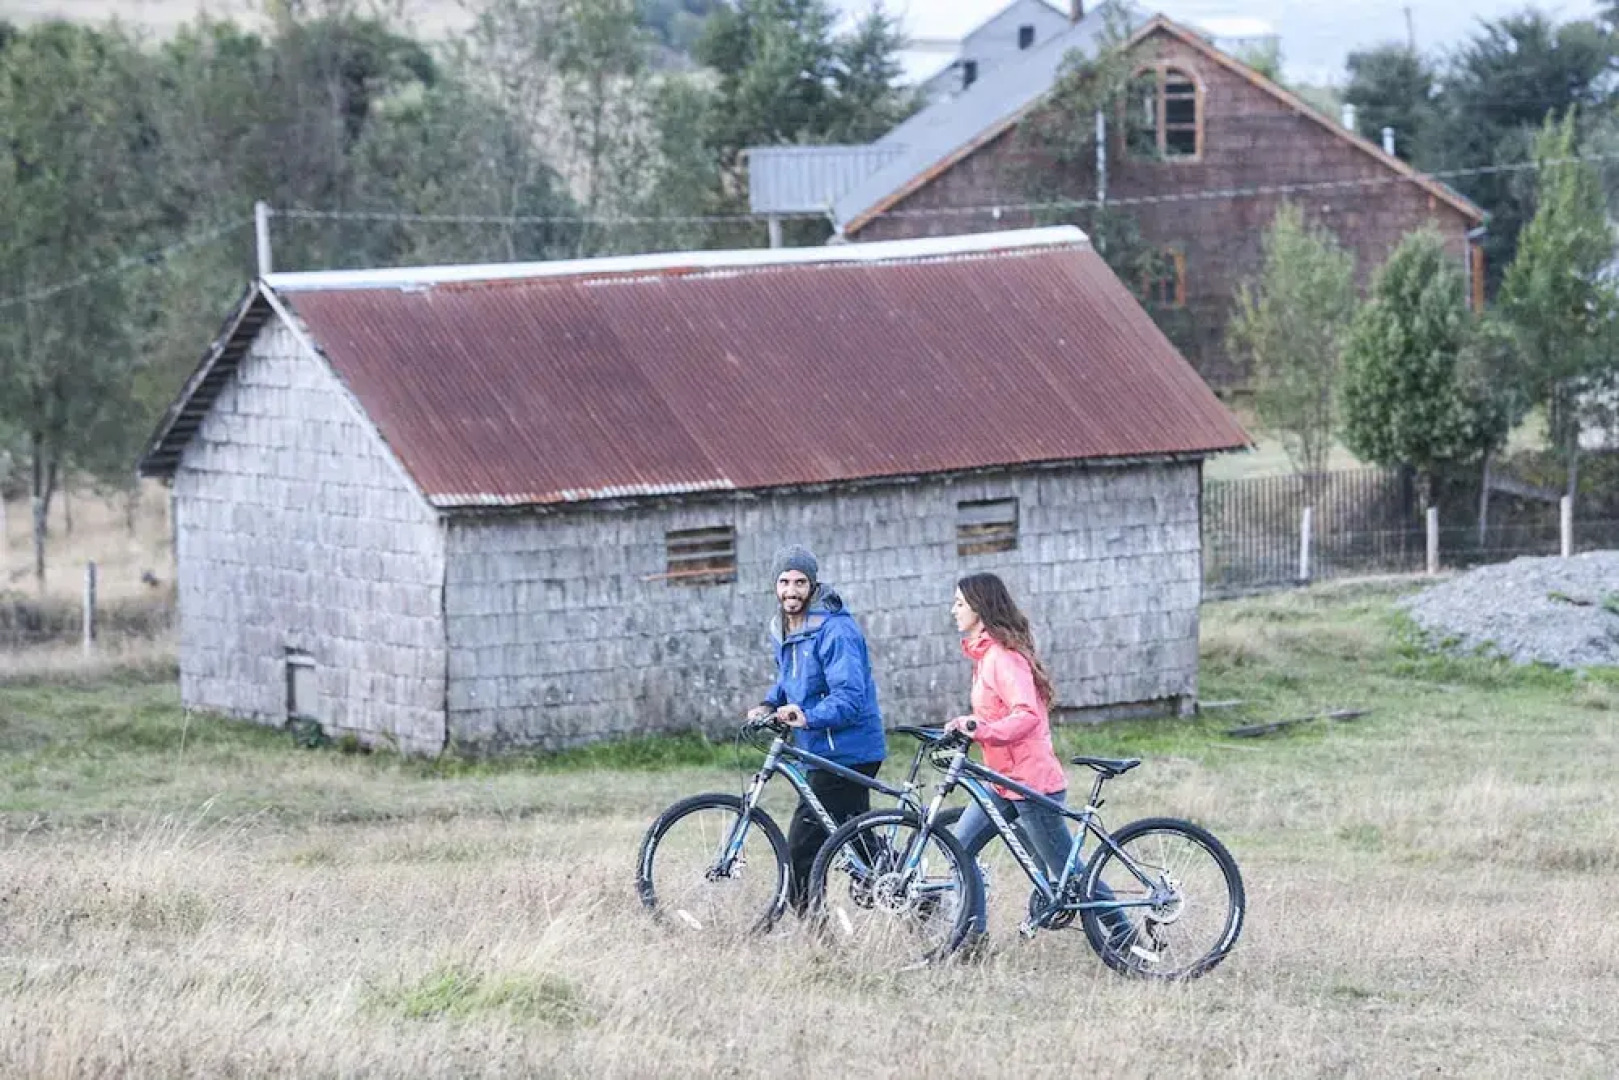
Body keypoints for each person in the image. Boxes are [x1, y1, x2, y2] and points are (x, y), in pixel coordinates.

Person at [747, 545, 886, 913]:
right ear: (774, 585)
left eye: (800, 582)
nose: (791, 591)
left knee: (803, 846)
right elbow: (789, 679)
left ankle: (814, 930)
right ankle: (916, 899)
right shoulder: (783, 627)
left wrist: (806, 716)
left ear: (813, 585)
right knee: (856, 836)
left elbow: (850, 697)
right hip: (819, 749)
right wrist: (768, 704)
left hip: (848, 749)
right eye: (784, 582)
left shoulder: (835, 629)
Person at [943, 573, 1076, 891]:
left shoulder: (1003, 658)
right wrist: (967, 725)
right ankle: (971, 923)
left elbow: (1027, 716)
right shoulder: (985, 658)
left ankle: (1117, 922)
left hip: (1031, 785)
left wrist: (980, 729)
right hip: (1002, 782)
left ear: (978, 607)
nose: (953, 610)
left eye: (959, 604)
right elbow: (993, 714)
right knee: (958, 851)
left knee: (1071, 878)